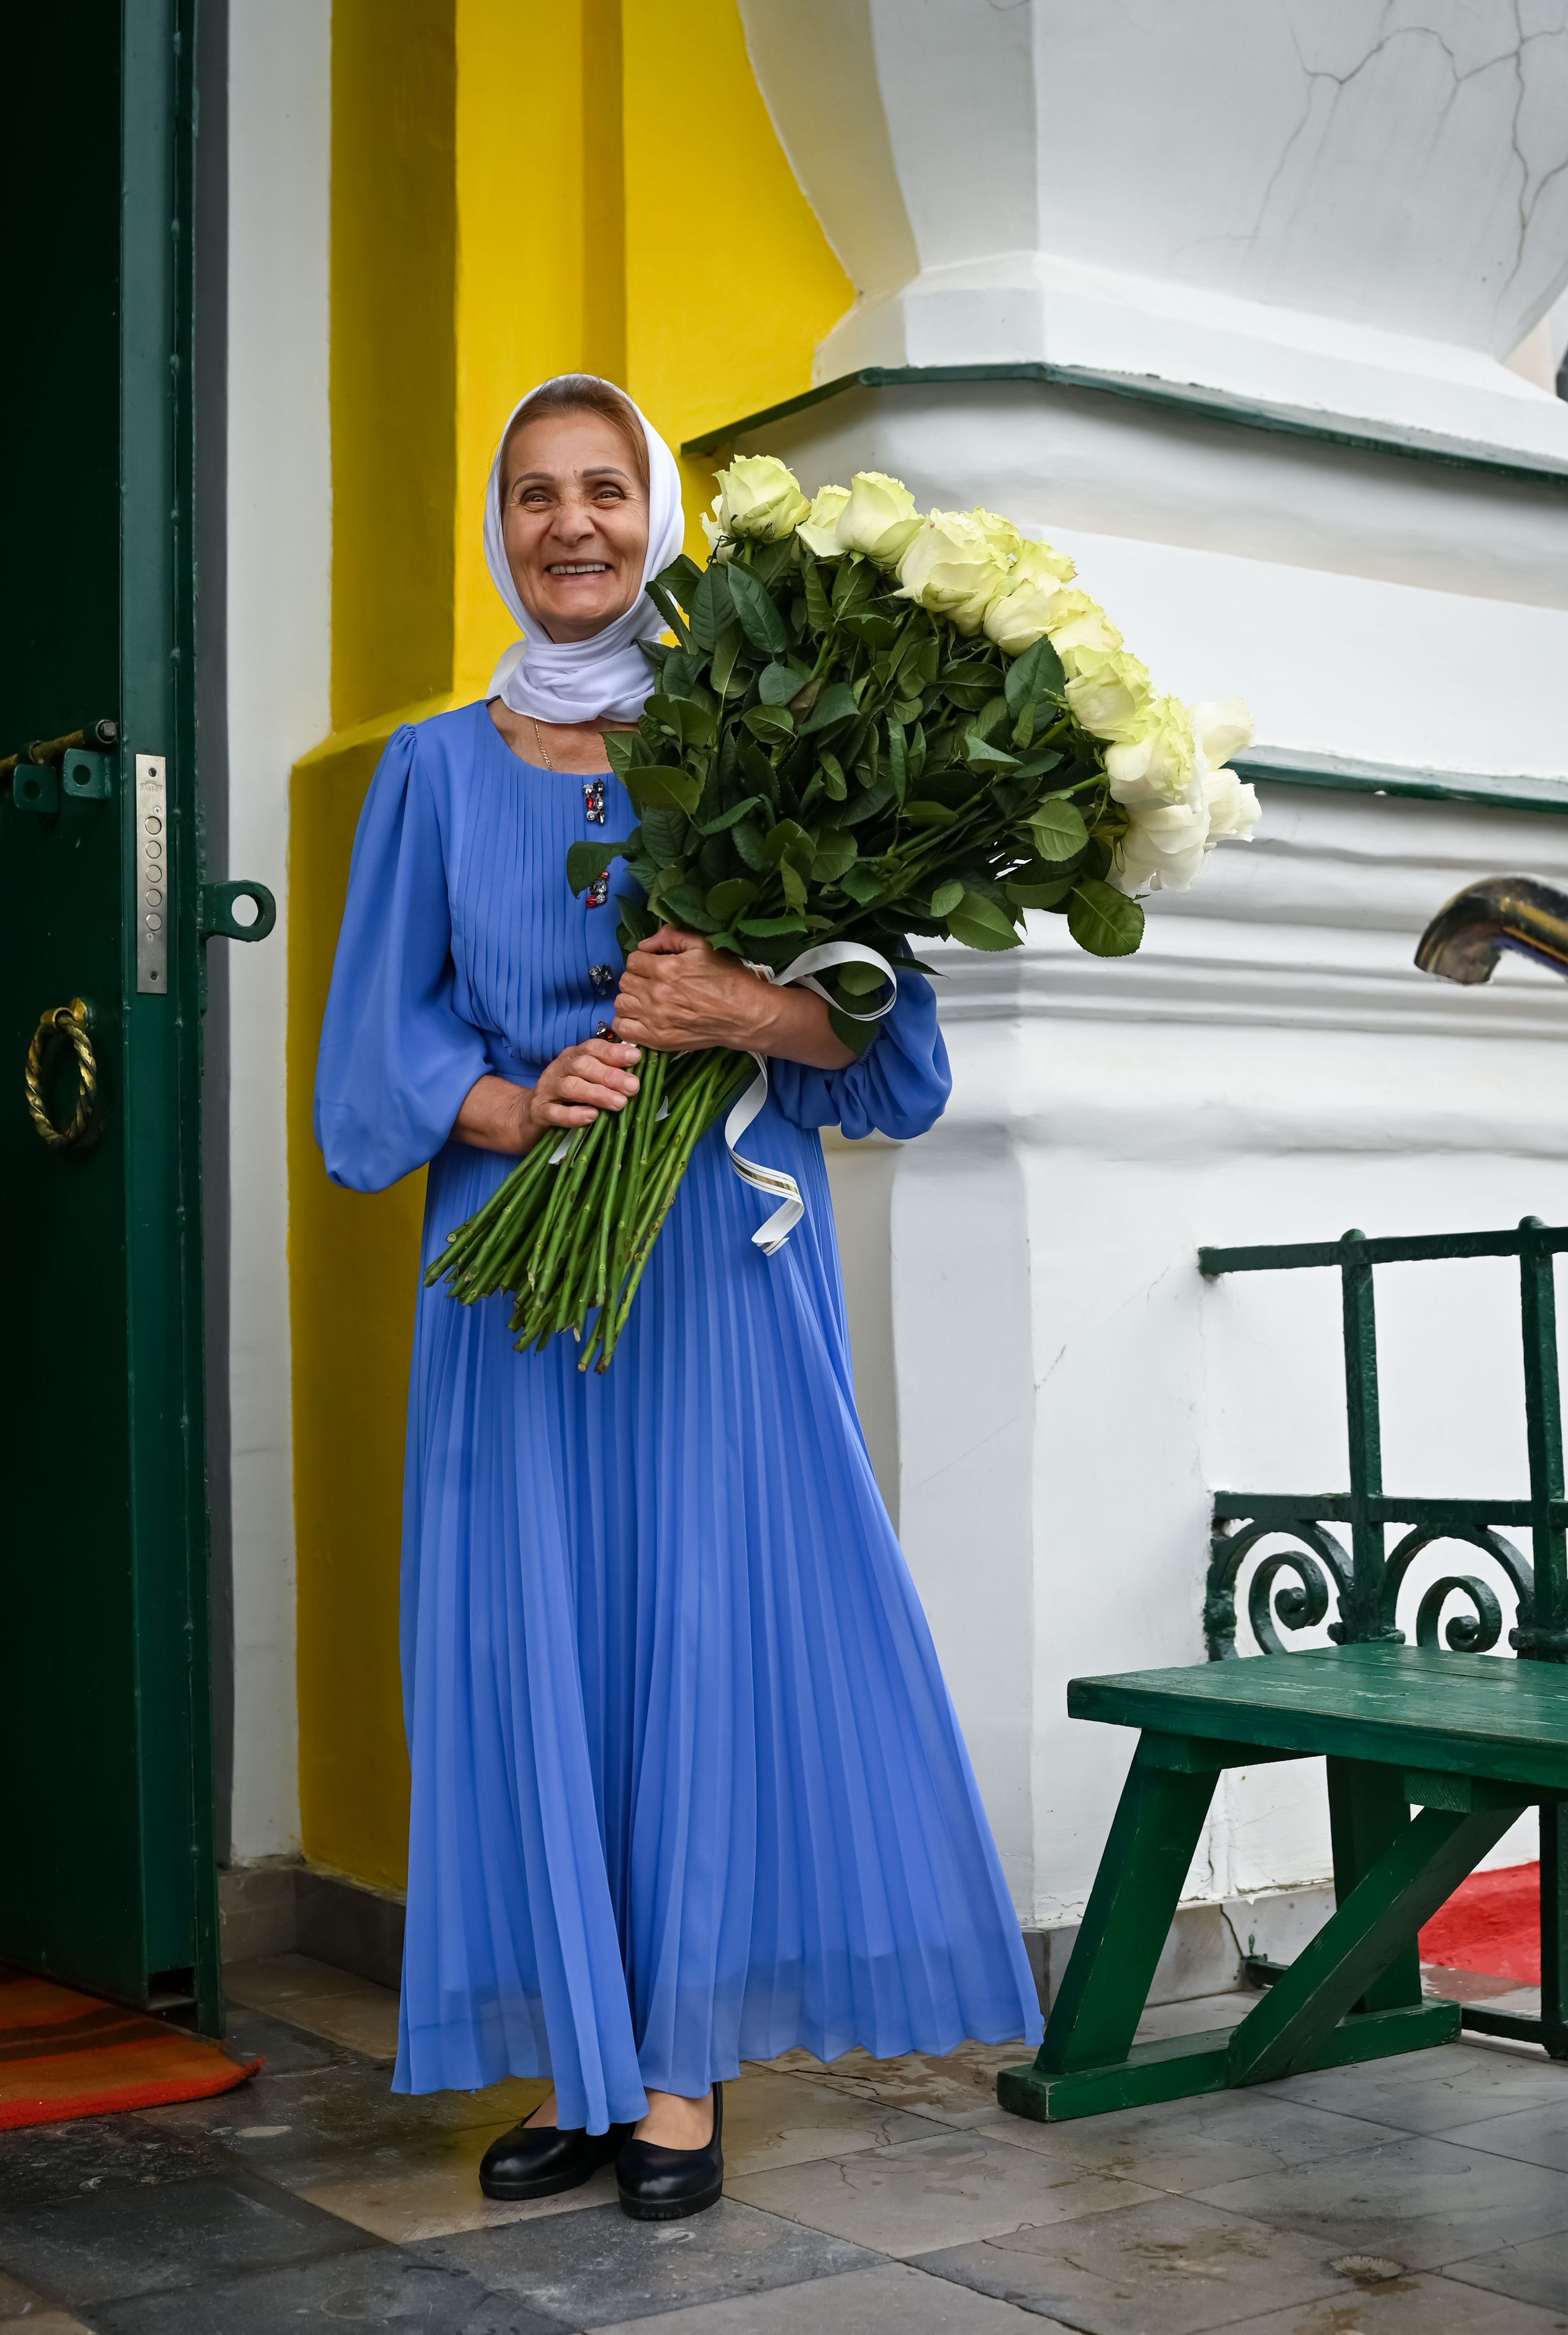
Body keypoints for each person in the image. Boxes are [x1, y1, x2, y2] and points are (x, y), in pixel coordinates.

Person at [314, 374, 1041, 2224]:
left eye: (608, 491)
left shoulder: (756, 737)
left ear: (653, 518)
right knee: (534, 1648)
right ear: (505, 528)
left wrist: (751, 1013)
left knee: (695, 1647)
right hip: (515, 1286)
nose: (576, 525)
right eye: (540, 494)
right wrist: (509, 1096)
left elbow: (894, 1060)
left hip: (721, 1267)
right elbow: (362, 1066)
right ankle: (578, 2055)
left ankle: (675, 2081)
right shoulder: (429, 768)